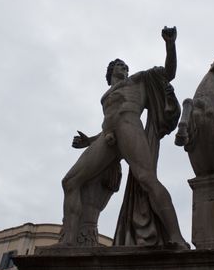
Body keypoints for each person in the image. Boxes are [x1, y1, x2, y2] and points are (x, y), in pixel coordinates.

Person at [60, 26, 188, 249]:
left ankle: (176, 236)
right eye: (119, 65)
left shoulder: (138, 80)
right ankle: (69, 240)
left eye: (126, 66)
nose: (124, 67)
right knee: (70, 181)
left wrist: (170, 44)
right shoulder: (104, 97)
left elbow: (169, 72)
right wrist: (88, 141)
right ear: (110, 72)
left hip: (129, 126)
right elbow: (108, 121)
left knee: (146, 178)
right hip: (107, 136)